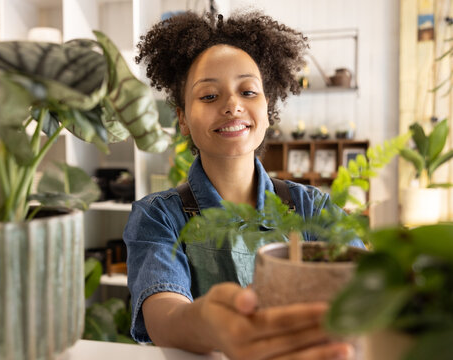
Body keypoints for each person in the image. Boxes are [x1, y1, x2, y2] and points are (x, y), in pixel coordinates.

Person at [123, 10, 359, 360]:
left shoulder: (311, 208)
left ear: (268, 108)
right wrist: (209, 321)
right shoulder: (159, 217)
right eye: (208, 96)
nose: (233, 105)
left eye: (248, 91)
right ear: (183, 118)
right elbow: (164, 317)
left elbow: (367, 287)